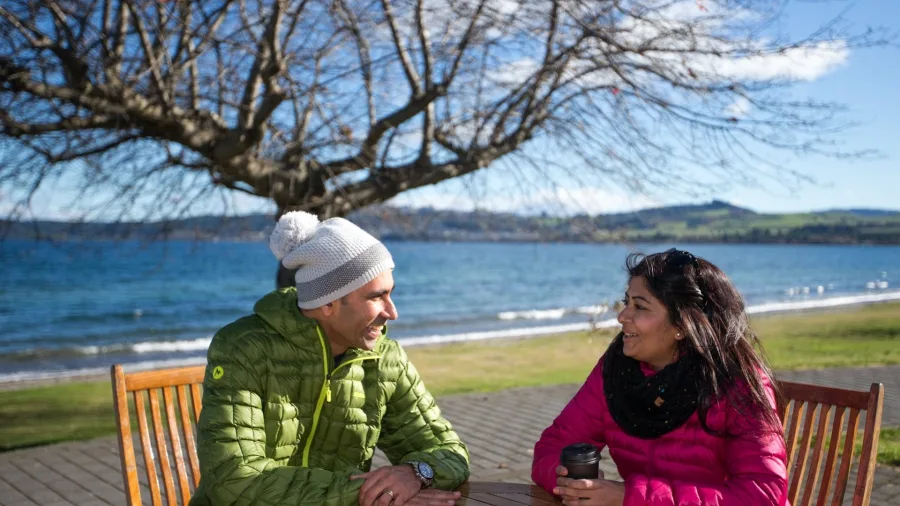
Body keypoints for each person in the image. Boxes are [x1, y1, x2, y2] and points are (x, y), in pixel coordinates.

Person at [190, 211, 469, 506]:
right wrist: (371, 495)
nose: (392, 312)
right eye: (377, 296)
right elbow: (235, 479)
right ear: (328, 303)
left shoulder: (386, 360)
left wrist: (415, 475)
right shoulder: (245, 348)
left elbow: (449, 450)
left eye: (391, 294)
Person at [532, 249, 788, 506]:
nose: (622, 316)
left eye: (639, 306)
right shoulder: (616, 371)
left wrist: (628, 497)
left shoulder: (736, 383)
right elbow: (553, 447)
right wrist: (568, 480)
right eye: (626, 302)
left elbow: (763, 496)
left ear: (682, 325)